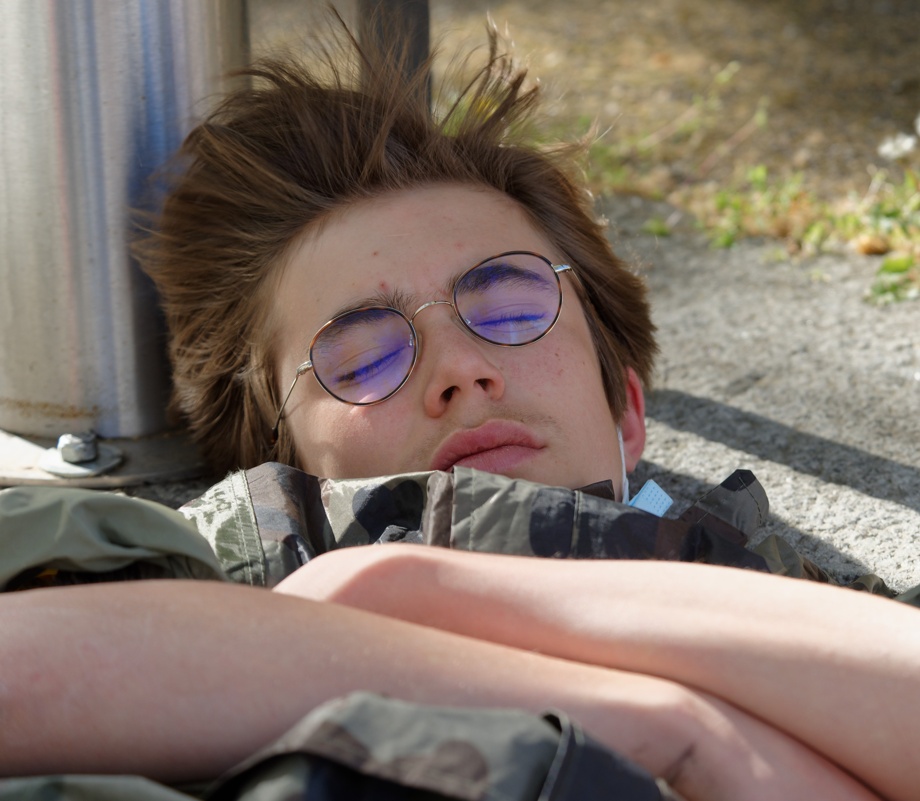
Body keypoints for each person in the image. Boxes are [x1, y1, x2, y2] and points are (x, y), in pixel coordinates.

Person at [1, 16, 918, 801]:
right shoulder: (202, 570)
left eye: (512, 306)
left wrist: (431, 593)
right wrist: (673, 725)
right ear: (278, 457)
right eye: (363, 354)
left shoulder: (798, 597)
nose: (461, 368)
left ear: (627, 412)